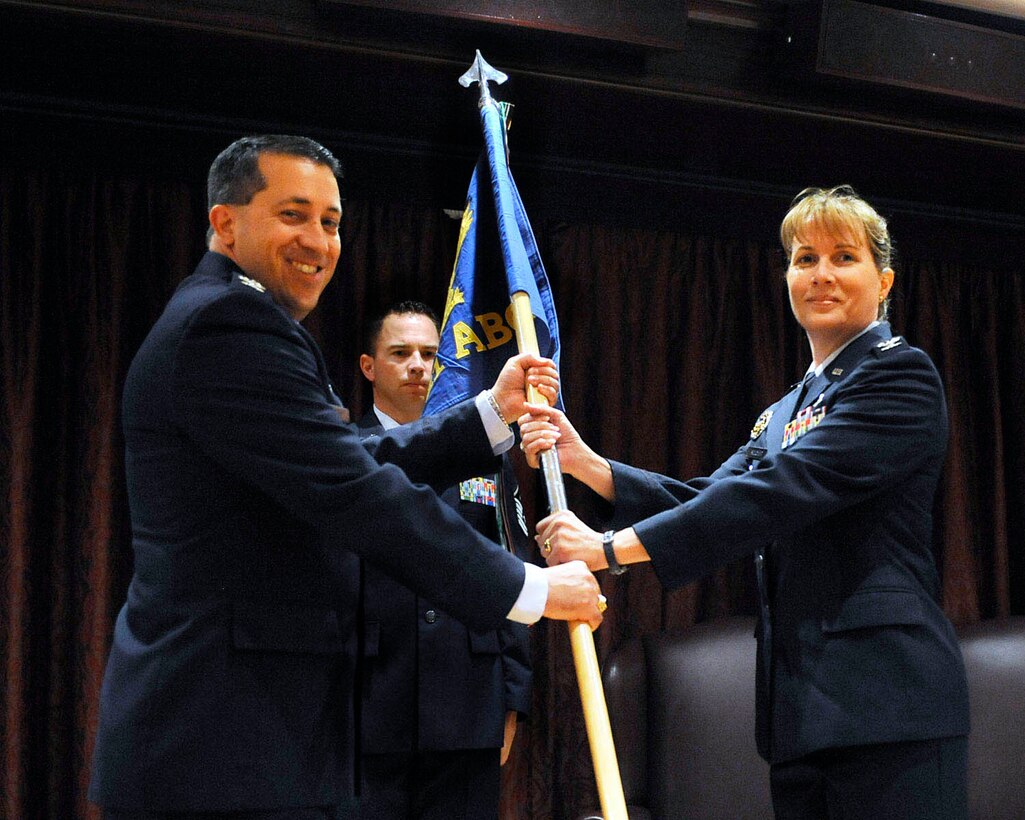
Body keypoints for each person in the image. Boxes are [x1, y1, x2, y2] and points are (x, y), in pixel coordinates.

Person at [87, 134, 602, 820]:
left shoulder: (232, 319)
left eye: (330, 222)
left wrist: (487, 414)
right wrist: (531, 588)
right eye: (293, 214)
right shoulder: (229, 324)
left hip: (244, 735)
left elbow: (347, 463)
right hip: (220, 740)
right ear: (224, 222)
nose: (318, 240)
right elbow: (356, 493)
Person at [521, 186, 970, 819]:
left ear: (884, 279)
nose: (821, 275)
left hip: (888, 707)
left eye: (844, 257)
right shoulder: (783, 409)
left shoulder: (902, 376)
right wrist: (589, 466)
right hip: (799, 711)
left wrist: (608, 550)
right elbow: (710, 499)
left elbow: (777, 495)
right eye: (804, 258)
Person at [355, 302, 530, 819]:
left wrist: (513, 696)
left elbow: (512, 566)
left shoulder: (487, 454)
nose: (418, 366)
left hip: (468, 701)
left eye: (430, 354)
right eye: (401, 353)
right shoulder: (341, 451)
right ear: (369, 366)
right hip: (370, 700)